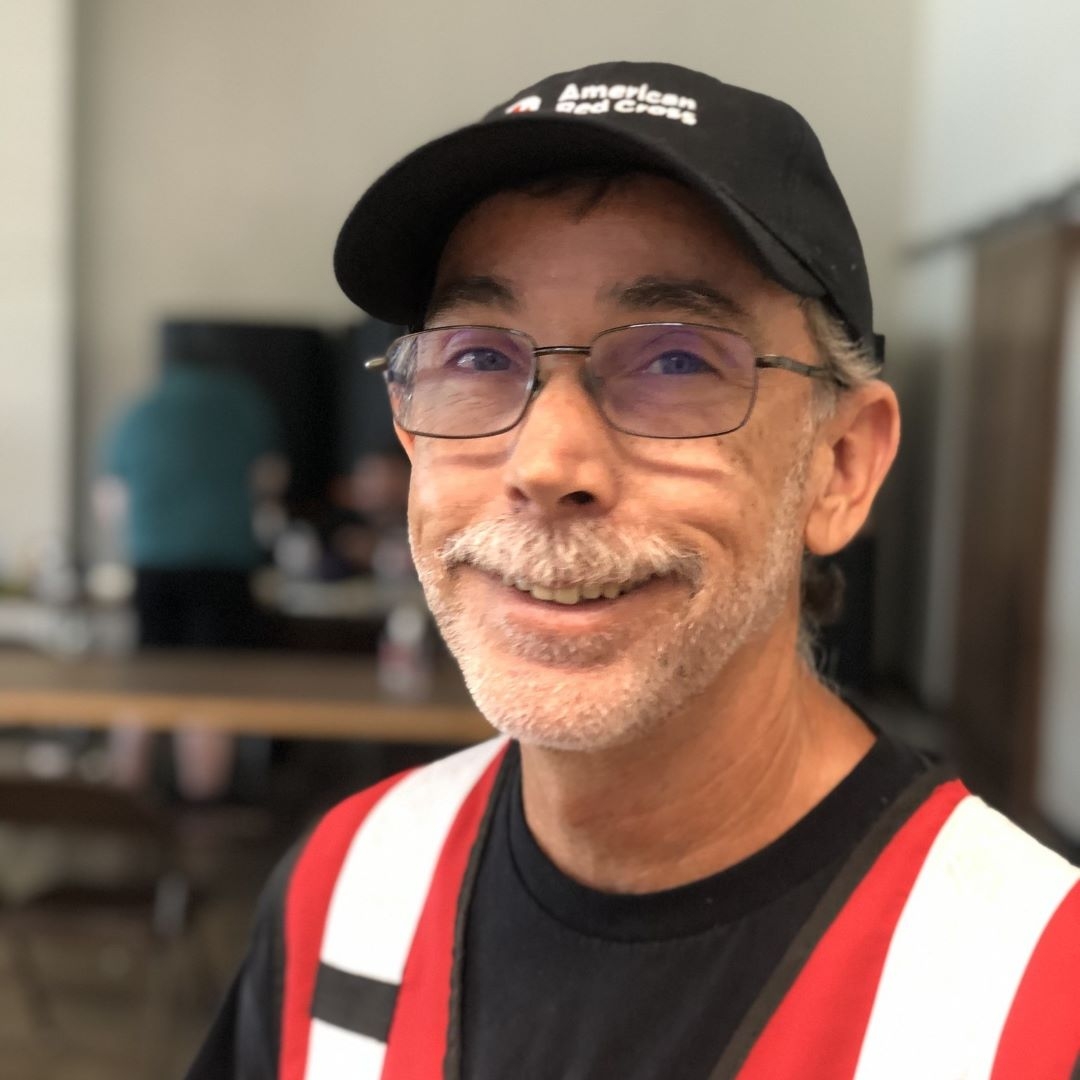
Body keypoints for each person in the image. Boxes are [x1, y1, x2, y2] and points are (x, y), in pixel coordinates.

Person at [187, 61, 1080, 1079]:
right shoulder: (345, 894)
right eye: (479, 358)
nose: (546, 464)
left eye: (676, 361)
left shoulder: (1027, 992)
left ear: (841, 466)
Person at [100, 361, 286, 801]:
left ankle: (126, 800)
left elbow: (111, 501)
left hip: (153, 564)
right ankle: (202, 808)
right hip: (226, 563)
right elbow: (270, 480)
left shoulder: (138, 410)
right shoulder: (245, 404)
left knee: (143, 679)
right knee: (211, 687)